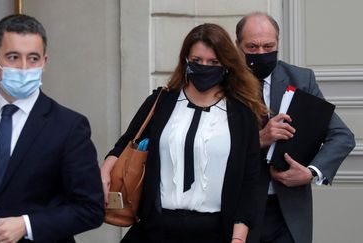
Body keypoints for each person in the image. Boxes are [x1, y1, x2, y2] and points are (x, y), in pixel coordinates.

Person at [0, 14, 104, 243]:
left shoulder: (69, 126)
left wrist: (26, 225)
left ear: (45, 62)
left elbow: (90, 208)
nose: (24, 68)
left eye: (33, 58)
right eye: (13, 57)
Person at [101, 23, 267, 243]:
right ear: (186, 60)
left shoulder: (241, 114)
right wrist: (104, 172)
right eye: (197, 61)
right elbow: (125, 143)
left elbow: (249, 182)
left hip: (215, 231)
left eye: (213, 62)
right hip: (156, 228)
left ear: (226, 65)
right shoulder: (161, 102)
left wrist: (238, 238)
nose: (204, 67)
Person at [235, 12, 355, 243]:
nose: (261, 53)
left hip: (288, 213)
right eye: (252, 47)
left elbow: (342, 136)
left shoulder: (300, 79)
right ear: (237, 45)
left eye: (268, 46)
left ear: (278, 43)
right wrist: (258, 139)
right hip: (239, 211)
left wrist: (310, 172)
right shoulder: (225, 84)